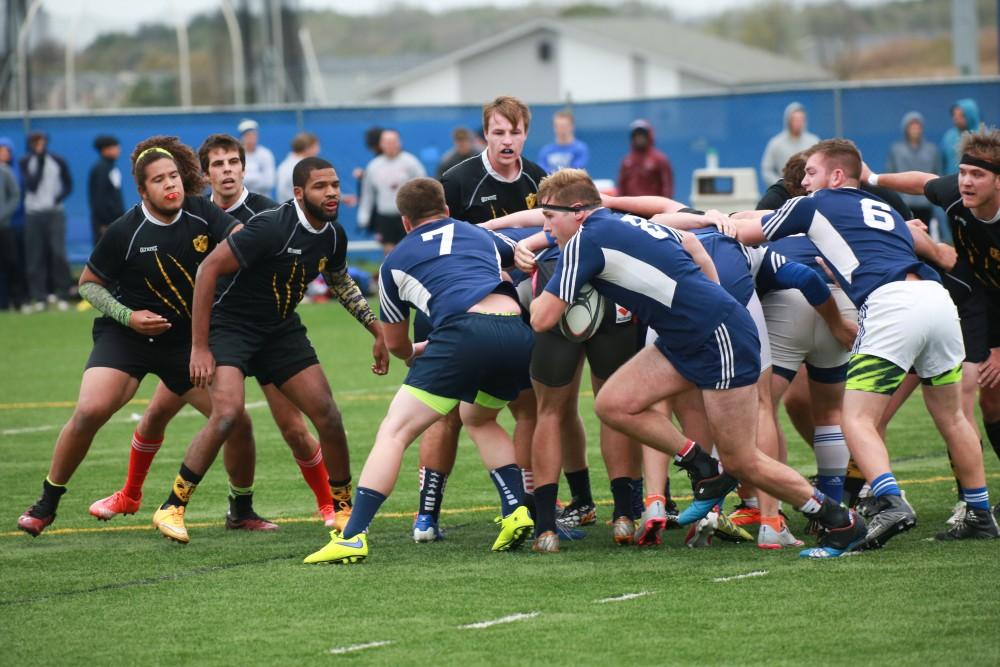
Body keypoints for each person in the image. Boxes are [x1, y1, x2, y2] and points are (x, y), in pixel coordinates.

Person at [527, 168, 866, 559]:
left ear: (578, 211)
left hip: (715, 337)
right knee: (613, 404)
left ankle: (839, 519)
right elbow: (692, 243)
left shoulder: (585, 241)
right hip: (687, 336)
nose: (547, 228)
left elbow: (541, 319)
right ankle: (704, 466)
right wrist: (709, 297)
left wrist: (536, 283)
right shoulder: (623, 223)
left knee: (743, 459)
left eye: (550, 218)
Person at [88, 134, 355, 529]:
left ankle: (327, 506)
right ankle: (131, 494)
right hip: (207, 332)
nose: (227, 170)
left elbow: (310, 263)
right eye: (218, 164)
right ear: (205, 174)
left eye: (234, 162)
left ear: (244, 169)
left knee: (294, 426)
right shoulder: (191, 211)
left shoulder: (269, 212)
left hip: (265, 331)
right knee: (159, 413)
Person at [737, 139, 996, 546]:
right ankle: (980, 512)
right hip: (937, 301)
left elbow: (744, 229)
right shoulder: (886, 210)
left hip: (891, 306)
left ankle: (890, 500)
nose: (804, 181)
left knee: (854, 419)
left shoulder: (814, 204)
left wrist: (711, 220)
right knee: (953, 417)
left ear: (837, 176)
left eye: (811, 172)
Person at [16, 136, 259, 537]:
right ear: (143, 190)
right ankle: (47, 501)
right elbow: (89, 284)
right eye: (160, 180)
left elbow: (241, 235)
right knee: (91, 410)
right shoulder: (124, 230)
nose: (171, 185)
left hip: (183, 342)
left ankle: (241, 510)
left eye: (175, 177)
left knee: (235, 419)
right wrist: (128, 316)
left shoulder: (201, 213)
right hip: (125, 337)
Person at [151, 156, 389, 544]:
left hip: (279, 330)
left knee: (327, 415)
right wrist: (198, 346)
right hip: (231, 328)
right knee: (227, 413)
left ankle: (343, 507)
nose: (331, 193)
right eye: (320, 187)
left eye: (335, 185)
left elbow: (341, 281)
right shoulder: (271, 227)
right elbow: (208, 269)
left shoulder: (333, 233)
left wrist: (376, 330)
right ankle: (172, 505)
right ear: (298, 193)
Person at [303, 177, 534, 564]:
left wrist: (413, 352)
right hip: (516, 332)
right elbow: (522, 254)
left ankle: (354, 535)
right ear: (446, 210)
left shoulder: (394, 262)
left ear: (406, 222)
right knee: (478, 418)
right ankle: (516, 510)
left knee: (395, 431)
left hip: (465, 334)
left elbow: (395, 345)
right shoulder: (476, 234)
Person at [412, 95, 548, 541]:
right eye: (498, 132)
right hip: (448, 308)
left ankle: (526, 504)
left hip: (509, 311)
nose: (507, 141)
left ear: (526, 133)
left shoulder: (540, 179)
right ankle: (426, 516)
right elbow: (427, 239)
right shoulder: (457, 181)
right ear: (485, 134)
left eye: (515, 132)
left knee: (526, 406)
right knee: (443, 413)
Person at [870, 127, 1000, 528]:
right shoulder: (956, 193)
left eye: (977, 175)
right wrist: (871, 178)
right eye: (963, 172)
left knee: (984, 394)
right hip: (977, 301)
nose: (966, 181)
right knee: (979, 397)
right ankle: (971, 501)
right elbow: (921, 182)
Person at [19, 131, 73, 311]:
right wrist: (40, 161)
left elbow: (68, 184)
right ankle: (39, 296)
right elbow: (32, 185)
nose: (39, 145)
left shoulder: (58, 161)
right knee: (35, 255)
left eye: (42, 142)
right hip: (33, 214)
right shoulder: (26, 162)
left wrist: (58, 198)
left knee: (58, 252)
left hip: (55, 213)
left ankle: (64, 292)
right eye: (35, 143)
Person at [357, 129, 426, 254]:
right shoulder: (373, 166)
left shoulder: (411, 162)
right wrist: (364, 216)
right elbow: (368, 194)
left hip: (407, 215)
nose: (390, 145)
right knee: (389, 252)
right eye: (387, 142)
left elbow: (423, 188)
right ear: (381, 144)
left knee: (410, 249)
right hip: (385, 217)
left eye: (393, 141)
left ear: (399, 142)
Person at [886, 112, 942, 227]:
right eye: (912, 126)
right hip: (904, 201)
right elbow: (890, 172)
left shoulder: (931, 150)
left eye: (918, 126)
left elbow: (937, 173)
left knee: (926, 235)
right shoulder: (896, 150)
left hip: (925, 201)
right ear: (906, 129)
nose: (915, 130)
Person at [760, 102, 819, 186]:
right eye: (795, 120)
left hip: (809, 190)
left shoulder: (813, 141)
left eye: (801, 120)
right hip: (785, 190)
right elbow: (767, 170)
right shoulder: (776, 143)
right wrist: (781, 185)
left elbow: (820, 167)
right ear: (788, 121)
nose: (798, 123)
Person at [617, 120, 674, 198]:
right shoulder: (626, 161)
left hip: (654, 207)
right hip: (631, 207)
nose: (639, 138)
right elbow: (621, 186)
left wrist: (665, 205)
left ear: (648, 137)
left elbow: (667, 186)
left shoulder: (659, 159)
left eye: (642, 135)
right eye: (636, 135)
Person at [87, 135, 125, 245]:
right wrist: (104, 222)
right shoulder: (101, 169)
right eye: (115, 147)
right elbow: (99, 197)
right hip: (107, 222)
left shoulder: (111, 167)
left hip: (115, 220)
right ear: (105, 150)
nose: (118, 150)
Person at [0, 137, 23, 312]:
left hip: (5, 226)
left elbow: (15, 195)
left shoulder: (6, 171)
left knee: (11, 262)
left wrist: (3, 215)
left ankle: (17, 300)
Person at [537, 110, 589, 174]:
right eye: (558, 126)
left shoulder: (580, 148)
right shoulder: (546, 151)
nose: (561, 129)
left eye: (564, 126)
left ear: (572, 126)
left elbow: (576, 170)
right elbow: (541, 171)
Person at [275, 132, 320, 203]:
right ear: (307, 148)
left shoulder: (285, 165)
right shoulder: (300, 168)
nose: (318, 150)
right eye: (316, 146)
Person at [941, 99, 981, 175]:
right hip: (951, 183)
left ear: (971, 115)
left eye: (961, 115)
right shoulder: (948, 137)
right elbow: (942, 164)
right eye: (954, 115)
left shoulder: (984, 137)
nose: (956, 118)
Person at [238, 118, 276, 198]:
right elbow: (237, 183)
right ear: (242, 137)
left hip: (263, 202)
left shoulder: (266, 154)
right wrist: (258, 176)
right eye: (248, 135)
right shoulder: (237, 155)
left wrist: (246, 179)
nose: (252, 138)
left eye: (254, 135)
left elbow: (269, 183)